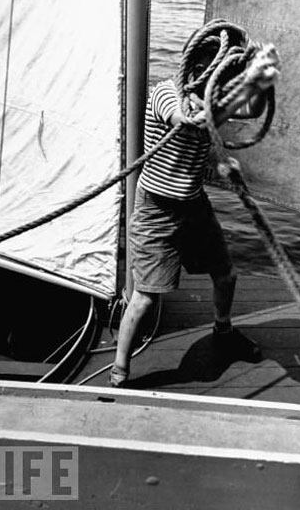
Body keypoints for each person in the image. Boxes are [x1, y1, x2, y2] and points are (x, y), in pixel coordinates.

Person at [109, 20, 275, 387]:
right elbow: (186, 122)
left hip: (194, 204)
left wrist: (264, 80)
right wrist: (217, 103)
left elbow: (253, 109)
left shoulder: (213, 100)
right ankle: (120, 371)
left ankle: (223, 331)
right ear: (200, 70)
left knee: (226, 274)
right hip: (157, 209)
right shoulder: (164, 93)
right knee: (146, 298)